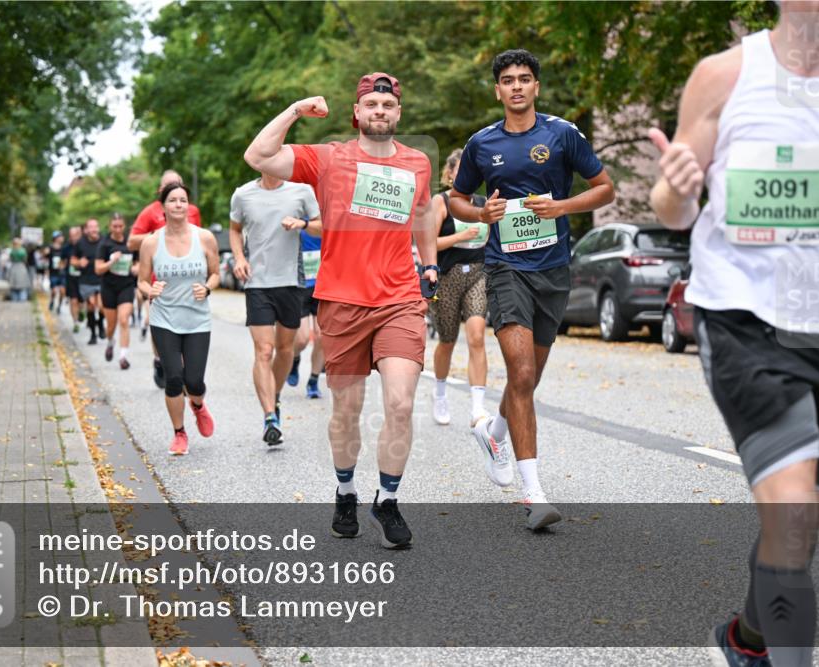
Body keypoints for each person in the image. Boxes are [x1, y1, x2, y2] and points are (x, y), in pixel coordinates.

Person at [648, 4, 819, 665]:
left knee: (801, 525)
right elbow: (673, 209)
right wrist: (679, 189)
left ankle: (747, 641)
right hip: (745, 317)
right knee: (789, 509)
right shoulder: (726, 75)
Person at [244, 72, 437, 549]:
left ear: (398, 113)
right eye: (371, 104)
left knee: (400, 403)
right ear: (357, 112)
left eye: (387, 105)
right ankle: (346, 492)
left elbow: (422, 215)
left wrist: (430, 264)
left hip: (398, 300)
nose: (379, 111)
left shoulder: (417, 162)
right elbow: (258, 156)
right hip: (342, 303)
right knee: (347, 411)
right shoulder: (329, 158)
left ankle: (387, 501)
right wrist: (295, 110)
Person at [449, 49, 615, 530]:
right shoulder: (482, 143)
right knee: (520, 372)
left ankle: (495, 433)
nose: (517, 86)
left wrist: (562, 207)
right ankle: (534, 494)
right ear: (497, 90)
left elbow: (605, 188)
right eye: (508, 80)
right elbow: (457, 199)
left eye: (524, 78)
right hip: (506, 269)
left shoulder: (562, 134)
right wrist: (481, 213)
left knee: (529, 378)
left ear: (536, 87)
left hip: (553, 270)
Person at [229, 173, 321, 444]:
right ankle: (270, 416)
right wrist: (239, 258)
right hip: (257, 282)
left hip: (291, 281)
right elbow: (234, 229)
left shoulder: (302, 191)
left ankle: (275, 396)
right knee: (264, 350)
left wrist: (303, 223)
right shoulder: (243, 194)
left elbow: (323, 227)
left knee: (285, 349)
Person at [138, 182, 219, 456]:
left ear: (188, 206)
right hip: (164, 318)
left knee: (194, 382)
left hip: (197, 319)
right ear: (163, 206)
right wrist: (150, 290)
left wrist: (207, 287)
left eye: (183, 200)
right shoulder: (151, 243)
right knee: (173, 378)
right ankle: (179, 433)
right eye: (173, 200)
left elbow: (216, 274)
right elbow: (141, 281)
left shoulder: (205, 238)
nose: (178, 204)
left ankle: (198, 405)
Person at [429, 148, 490, 429]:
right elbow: (428, 242)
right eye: (461, 169)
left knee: (477, 336)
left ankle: (477, 407)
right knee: (447, 340)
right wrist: (460, 236)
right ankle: (440, 393)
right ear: (451, 174)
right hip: (447, 277)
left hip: (477, 274)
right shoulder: (441, 202)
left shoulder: (483, 203)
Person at [130, 170, 203, 390]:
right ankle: (159, 359)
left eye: (178, 184)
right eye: (169, 186)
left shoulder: (192, 211)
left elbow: (199, 239)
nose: (177, 200)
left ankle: (184, 375)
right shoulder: (150, 212)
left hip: (188, 282)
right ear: (160, 191)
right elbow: (131, 241)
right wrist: (160, 234)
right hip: (159, 283)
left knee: (188, 331)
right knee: (161, 328)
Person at [286, 219, 325, 400]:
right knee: (301, 339)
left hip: (323, 285)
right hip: (300, 285)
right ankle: (294, 360)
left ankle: (313, 380)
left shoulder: (328, 218)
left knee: (322, 336)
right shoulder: (297, 218)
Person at [96, 214, 138, 370]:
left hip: (126, 286)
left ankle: (123, 357)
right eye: (115, 226)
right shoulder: (104, 244)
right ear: (110, 227)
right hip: (109, 288)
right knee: (111, 326)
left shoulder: (130, 243)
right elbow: (98, 269)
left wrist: (136, 268)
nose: (118, 229)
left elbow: (139, 263)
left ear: (124, 226)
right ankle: (110, 342)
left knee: (124, 320)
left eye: (120, 226)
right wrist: (111, 261)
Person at [73, 219, 105, 345]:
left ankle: (100, 323)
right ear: (86, 229)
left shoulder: (104, 241)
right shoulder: (80, 243)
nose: (94, 229)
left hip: (102, 279)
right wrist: (79, 262)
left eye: (95, 226)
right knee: (91, 306)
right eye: (91, 227)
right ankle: (93, 334)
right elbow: (72, 260)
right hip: (86, 279)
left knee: (102, 306)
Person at [64, 226, 83, 332]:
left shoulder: (84, 245)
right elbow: (62, 261)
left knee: (81, 302)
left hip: (83, 278)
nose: (74, 238)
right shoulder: (66, 248)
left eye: (76, 235)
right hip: (71, 278)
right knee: (73, 300)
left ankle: (81, 312)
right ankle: (75, 322)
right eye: (71, 236)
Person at [48, 231, 67, 313]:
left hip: (62, 273)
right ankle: (52, 300)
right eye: (60, 236)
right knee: (54, 291)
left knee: (62, 291)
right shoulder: (50, 248)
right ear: (55, 238)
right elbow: (44, 256)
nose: (62, 238)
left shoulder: (65, 248)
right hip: (53, 272)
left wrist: (64, 264)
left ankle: (59, 305)